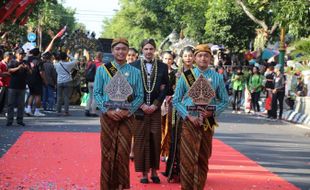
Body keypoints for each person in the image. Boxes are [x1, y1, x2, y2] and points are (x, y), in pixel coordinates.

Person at [172, 44, 228, 190]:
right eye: (200, 56)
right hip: (189, 121)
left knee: (203, 157)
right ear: (195, 58)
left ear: (210, 58)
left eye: (206, 56)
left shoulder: (217, 77)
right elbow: (176, 100)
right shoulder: (187, 76)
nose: (203, 58)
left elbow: (224, 101)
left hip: (207, 121)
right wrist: (188, 116)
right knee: (187, 158)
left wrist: (212, 112)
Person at [93, 38, 144, 190]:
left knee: (123, 152)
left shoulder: (135, 72)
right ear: (113, 51)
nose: (121, 51)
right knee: (107, 152)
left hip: (127, 118)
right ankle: (106, 186)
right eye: (117, 49)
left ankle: (122, 186)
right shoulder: (103, 69)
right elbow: (97, 92)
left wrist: (128, 110)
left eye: (124, 49)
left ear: (128, 51)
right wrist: (107, 111)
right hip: (108, 117)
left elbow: (140, 95)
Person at [132, 39, 169, 184]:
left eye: (151, 49)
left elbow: (166, 87)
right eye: (146, 49)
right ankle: (143, 173)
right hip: (139, 110)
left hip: (155, 109)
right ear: (142, 50)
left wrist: (155, 104)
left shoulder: (162, 67)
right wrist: (140, 104)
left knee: (155, 139)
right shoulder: (133, 66)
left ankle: (154, 171)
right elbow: (129, 88)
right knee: (141, 140)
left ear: (155, 50)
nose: (148, 51)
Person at [163, 46, 195, 182]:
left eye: (190, 55)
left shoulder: (198, 73)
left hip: (193, 109)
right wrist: (170, 96)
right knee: (176, 138)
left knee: (190, 140)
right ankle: (174, 170)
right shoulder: (176, 73)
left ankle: (189, 171)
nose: (188, 58)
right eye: (186, 55)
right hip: (177, 109)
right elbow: (168, 90)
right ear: (182, 57)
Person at [6, 48, 31, 126]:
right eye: (20, 54)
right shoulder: (12, 61)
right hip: (12, 86)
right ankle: (9, 120)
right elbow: (9, 70)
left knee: (21, 104)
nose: (21, 56)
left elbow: (31, 72)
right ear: (16, 54)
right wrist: (18, 67)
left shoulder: (25, 62)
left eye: (22, 54)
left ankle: (20, 120)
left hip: (22, 86)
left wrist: (27, 68)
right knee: (11, 104)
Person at [160, 51, 177, 162]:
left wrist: (172, 97)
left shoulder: (176, 73)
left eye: (169, 59)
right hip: (158, 102)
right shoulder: (158, 72)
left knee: (169, 126)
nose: (167, 61)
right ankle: (160, 150)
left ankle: (167, 151)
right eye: (165, 58)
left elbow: (177, 88)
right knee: (160, 127)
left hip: (171, 102)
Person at [54, 52, 77, 116]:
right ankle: (66, 112)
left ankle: (58, 111)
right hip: (67, 81)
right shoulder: (69, 64)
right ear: (66, 57)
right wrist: (69, 55)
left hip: (59, 81)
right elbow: (75, 61)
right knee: (66, 97)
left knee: (59, 97)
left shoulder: (56, 64)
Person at [24, 48, 46, 116]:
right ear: (38, 53)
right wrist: (45, 80)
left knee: (32, 94)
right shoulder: (39, 61)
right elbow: (41, 72)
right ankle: (37, 111)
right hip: (37, 80)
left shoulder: (27, 59)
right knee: (38, 95)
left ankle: (29, 108)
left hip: (29, 79)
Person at [85, 52, 103, 117]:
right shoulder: (100, 64)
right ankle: (93, 112)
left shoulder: (90, 63)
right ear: (100, 57)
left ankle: (87, 109)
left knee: (90, 97)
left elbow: (86, 71)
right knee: (95, 98)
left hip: (89, 82)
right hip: (96, 82)